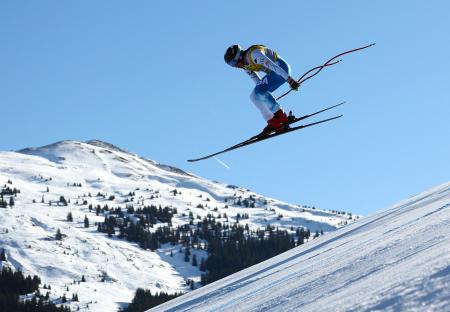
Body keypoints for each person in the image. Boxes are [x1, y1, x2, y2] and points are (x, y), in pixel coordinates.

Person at [224, 44, 299, 134]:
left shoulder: (254, 55)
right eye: (231, 65)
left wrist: (289, 79)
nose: (235, 66)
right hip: (274, 74)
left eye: (233, 63)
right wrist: (265, 96)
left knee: (258, 92)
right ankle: (273, 122)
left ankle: (281, 118)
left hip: (281, 69)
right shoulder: (245, 66)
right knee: (254, 96)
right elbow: (257, 82)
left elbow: (272, 66)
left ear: (238, 57)